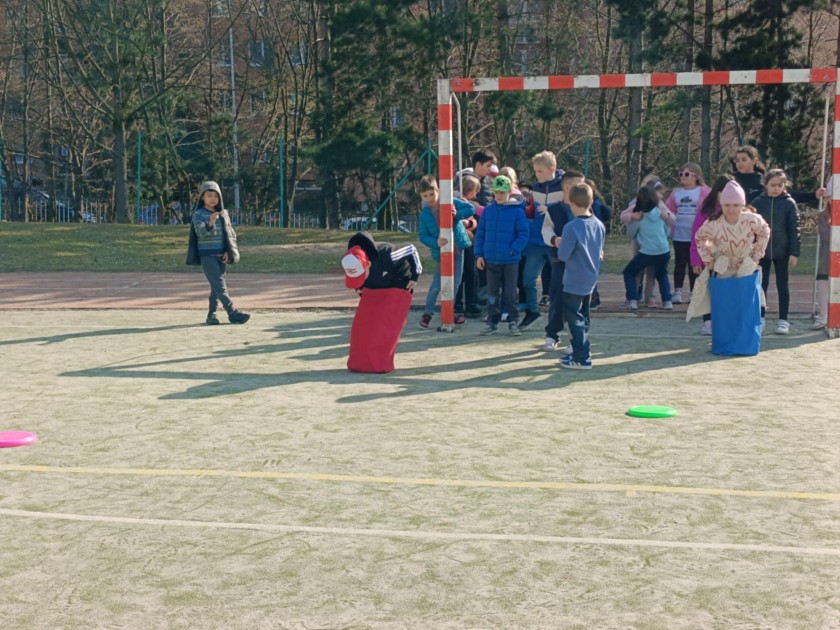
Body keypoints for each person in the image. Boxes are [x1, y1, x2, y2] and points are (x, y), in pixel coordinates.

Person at [691, 181, 770, 353]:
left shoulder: (751, 219)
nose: (731, 209)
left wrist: (756, 254)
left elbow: (765, 231)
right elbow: (700, 237)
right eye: (727, 205)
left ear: (742, 204)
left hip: (746, 265)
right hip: (723, 266)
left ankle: (745, 341)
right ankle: (725, 341)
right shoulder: (714, 222)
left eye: (735, 205)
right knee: (724, 305)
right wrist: (709, 258)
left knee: (745, 304)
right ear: (721, 204)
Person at [342, 231, 422, 373]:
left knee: (385, 327)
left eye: (361, 276)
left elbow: (411, 249)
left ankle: (380, 364)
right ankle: (359, 363)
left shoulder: (388, 254)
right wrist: (359, 286)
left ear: (369, 264)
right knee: (362, 326)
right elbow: (356, 275)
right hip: (374, 285)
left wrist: (414, 276)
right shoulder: (351, 258)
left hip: (398, 282)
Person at [555, 183, 606, 370]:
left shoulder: (571, 227)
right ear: (591, 201)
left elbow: (563, 255)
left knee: (574, 318)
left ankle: (581, 357)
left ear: (571, 203)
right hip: (590, 278)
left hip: (574, 280)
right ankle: (582, 350)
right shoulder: (599, 225)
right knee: (583, 316)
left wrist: (560, 243)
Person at [185, 180, 250, 325]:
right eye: (209, 196)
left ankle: (212, 315)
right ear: (202, 197)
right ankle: (232, 312)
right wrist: (211, 222)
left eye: (216, 196)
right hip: (207, 255)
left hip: (221, 255)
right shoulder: (198, 214)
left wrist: (228, 250)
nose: (213, 199)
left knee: (216, 287)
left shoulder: (223, 214)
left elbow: (229, 234)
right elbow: (201, 233)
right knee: (220, 285)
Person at [416, 175, 475, 329]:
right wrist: (435, 242)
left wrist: (457, 214)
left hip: (458, 249)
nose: (429, 198)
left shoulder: (449, 202)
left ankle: (449, 311)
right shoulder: (425, 214)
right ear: (421, 196)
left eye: (431, 194)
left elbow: (470, 208)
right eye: (425, 196)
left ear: (438, 190)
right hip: (442, 253)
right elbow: (423, 236)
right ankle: (428, 313)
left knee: (456, 282)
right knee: (437, 284)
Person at [474, 175, 529, 336]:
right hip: (491, 259)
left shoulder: (517, 212)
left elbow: (523, 234)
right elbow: (481, 234)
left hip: (510, 260)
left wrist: (512, 250)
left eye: (502, 192)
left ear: (509, 192)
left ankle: (513, 321)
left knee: (510, 293)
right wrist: (479, 255)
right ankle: (492, 322)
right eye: (496, 192)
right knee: (492, 293)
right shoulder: (488, 211)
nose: (498, 195)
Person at [751, 169, 801, 335]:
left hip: (782, 252)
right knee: (761, 285)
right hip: (761, 251)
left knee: (782, 285)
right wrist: (752, 249)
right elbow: (750, 227)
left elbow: (794, 229)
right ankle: (760, 318)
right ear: (765, 185)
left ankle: (783, 320)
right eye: (773, 185)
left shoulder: (789, 203)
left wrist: (794, 252)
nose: (776, 188)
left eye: (780, 185)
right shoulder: (758, 202)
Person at [541, 170, 584, 351]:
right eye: (579, 185)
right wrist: (554, 239)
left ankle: (577, 338)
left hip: (581, 263)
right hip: (560, 261)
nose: (583, 188)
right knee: (557, 297)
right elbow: (546, 230)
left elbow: (596, 230)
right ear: (566, 187)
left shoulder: (587, 209)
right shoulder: (554, 210)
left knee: (578, 302)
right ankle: (553, 334)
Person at [520, 151, 562, 332]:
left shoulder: (564, 186)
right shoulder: (535, 188)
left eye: (540, 171)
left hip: (555, 241)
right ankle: (532, 312)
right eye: (535, 171)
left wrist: (551, 209)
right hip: (536, 241)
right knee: (528, 279)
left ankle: (562, 315)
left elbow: (570, 208)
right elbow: (532, 212)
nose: (536, 175)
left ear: (552, 169)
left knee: (560, 282)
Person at [620, 175, 675, 307]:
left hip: (647, 251)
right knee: (661, 275)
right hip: (663, 250)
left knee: (629, 272)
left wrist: (634, 219)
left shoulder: (640, 216)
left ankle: (632, 299)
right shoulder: (660, 212)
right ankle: (667, 301)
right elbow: (668, 229)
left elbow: (630, 232)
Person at [689, 174, 734, 335]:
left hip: (730, 259)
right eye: (724, 194)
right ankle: (707, 321)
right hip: (709, 258)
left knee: (727, 290)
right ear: (717, 192)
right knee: (708, 290)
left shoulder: (737, 210)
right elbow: (696, 236)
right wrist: (696, 260)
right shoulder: (706, 210)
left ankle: (725, 321)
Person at [455, 150, 496, 316]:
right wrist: (471, 221)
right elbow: (465, 209)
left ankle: (474, 301)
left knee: (475, 269)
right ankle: (459, 303)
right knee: (464, 269)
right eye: (488, 166)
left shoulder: (488, 182)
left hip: (481, 231)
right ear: (478, 164)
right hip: (467, 234)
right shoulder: (464, 182)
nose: (490, 169)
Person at [665, 162, 711, 305]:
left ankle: (693, 293)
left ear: (696, 176)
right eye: (680, 174)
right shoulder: (676, 193)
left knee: (694, 264)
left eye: (686, 174)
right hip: (679, 235)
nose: (682, 177)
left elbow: (710, 209)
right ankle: (677, 292)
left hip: (696, 235)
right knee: (680, 263)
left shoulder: (704, 191)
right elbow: (668, 210)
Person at [732, 144, 825, 204]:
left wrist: (813, 195)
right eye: (737, 160)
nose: (740, 163)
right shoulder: (731, 180)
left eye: (744, 160)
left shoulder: (763, 180)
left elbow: (787, 195)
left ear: (754, 160)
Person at [586, 177, 612, 310]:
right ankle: (594, 298)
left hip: (593, 238)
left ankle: (593, 299)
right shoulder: (599, 201)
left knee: (590, 268)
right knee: (591, 268)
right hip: (596, 237)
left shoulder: (594, 204)